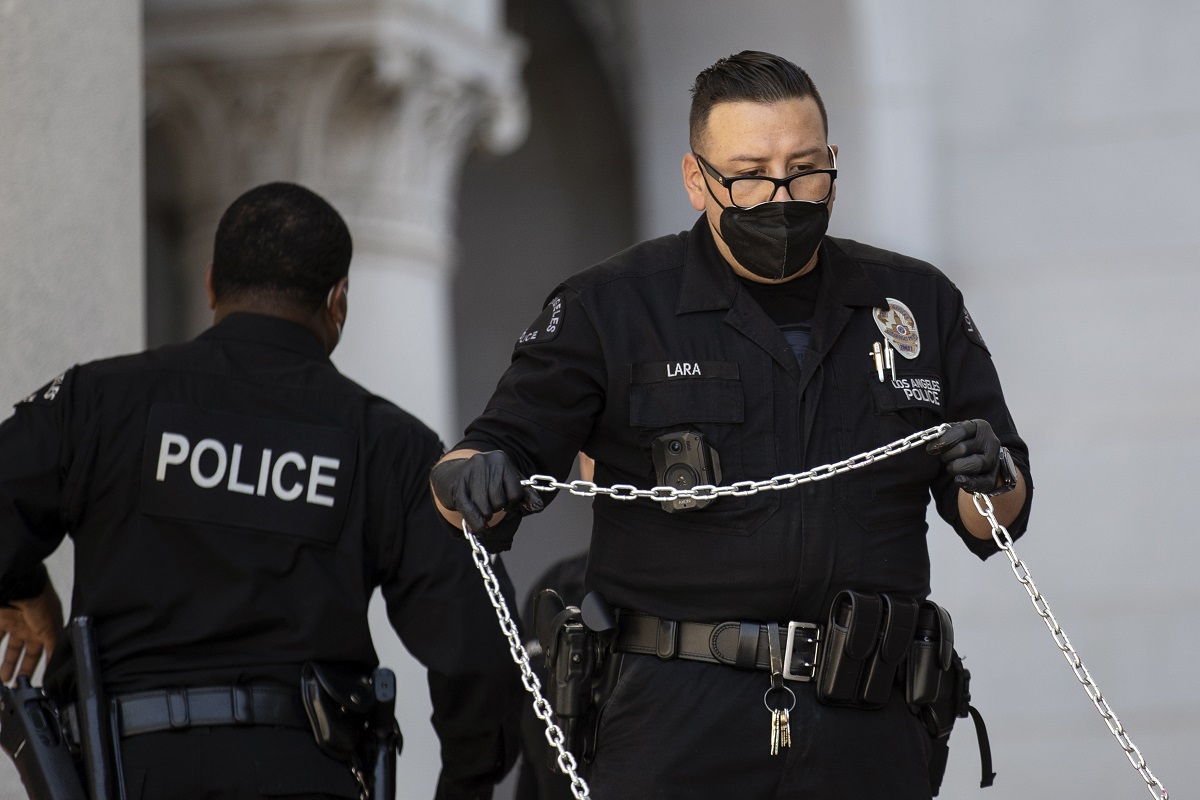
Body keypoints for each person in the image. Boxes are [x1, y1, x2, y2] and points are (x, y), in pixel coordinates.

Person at [429, 51, 1033, 799]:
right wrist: (469, 476)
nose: (781, 195)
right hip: (676, 720)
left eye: (806, 168)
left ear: (833, 164)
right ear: (697, 180)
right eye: (749, 174)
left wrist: (993, 474)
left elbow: (993, 522)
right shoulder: (611, 308)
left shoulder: (915, 305)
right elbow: (481, 459)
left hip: (870, 722)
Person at [0, 182, 522, 799]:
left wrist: (24, 588)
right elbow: (480, 648)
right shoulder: (389, 444)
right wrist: (467, 783)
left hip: (127, 772)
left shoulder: (98, 402)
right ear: (338, 302)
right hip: (303, 773)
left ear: (212, 284)